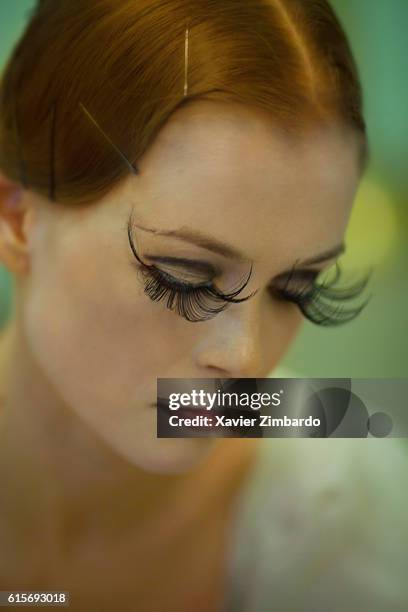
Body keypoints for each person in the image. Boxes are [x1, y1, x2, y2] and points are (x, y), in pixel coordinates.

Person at [0, 1, 406, 610]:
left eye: (297, 290)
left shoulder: (365, 517)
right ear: (17, 216)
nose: (243, 357)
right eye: (184, 280)